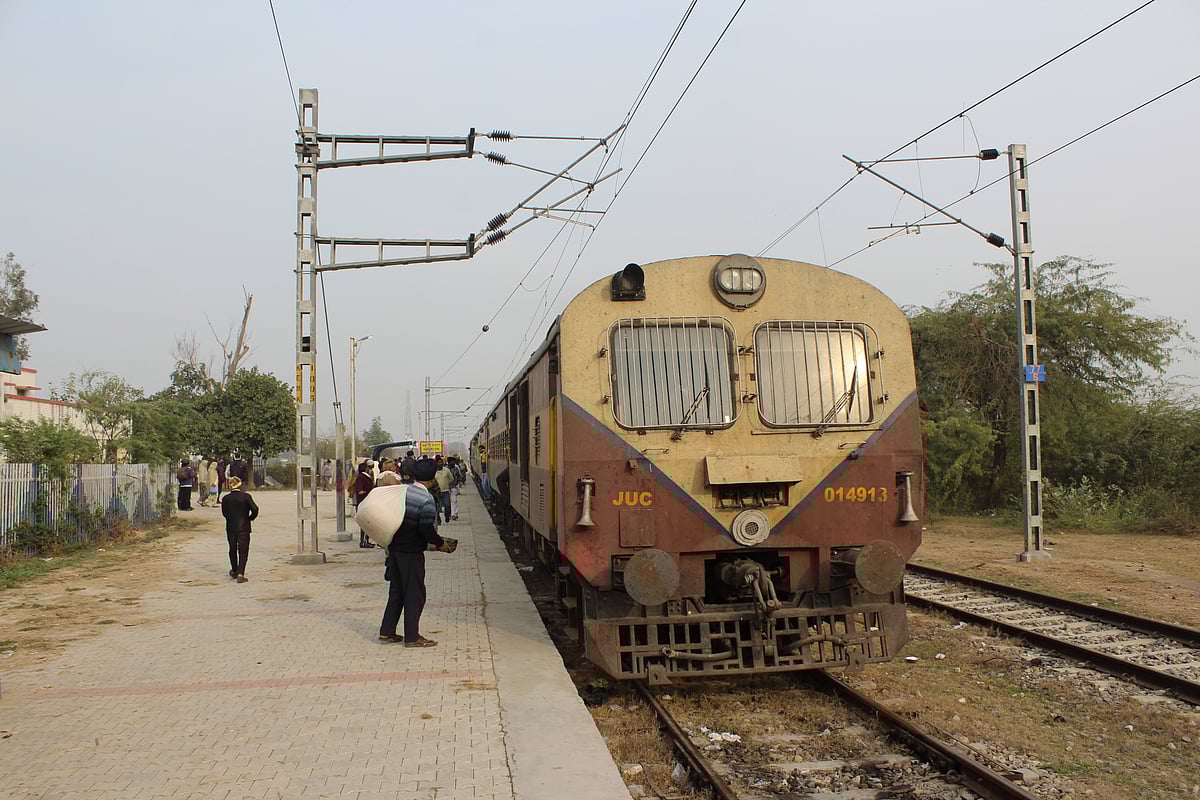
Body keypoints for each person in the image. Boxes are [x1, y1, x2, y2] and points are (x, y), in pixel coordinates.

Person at [379, 458, 450, 647]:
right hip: (411, 553)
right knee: (414, 594)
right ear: (432, 478)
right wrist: (440, 543)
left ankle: (387, 632)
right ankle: (412, 636)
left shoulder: (403, 491)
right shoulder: (425, 499)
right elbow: (426, 529)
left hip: (394, 550)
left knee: (397, 592)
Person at [220, 476, 258, 583]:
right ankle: (241, 573)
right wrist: (250, 518)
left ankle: (234, 570)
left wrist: (231, 519)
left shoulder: (225, 498)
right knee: (243, 550)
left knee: (232, 548)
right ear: (240, 485)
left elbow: (224, 513)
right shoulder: (246, 497)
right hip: (244, 527)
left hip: (231, 527)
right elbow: (255, 509)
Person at [354, 461, 377, 548]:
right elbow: (360, 491)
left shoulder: (366, 477)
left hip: (366, 502)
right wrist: (368, 493)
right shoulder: (361, 477)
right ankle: (363, 541)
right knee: (365, 524)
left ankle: (366, 540)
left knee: (367, 523)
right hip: (363, 502)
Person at [434, 460, 454, 524]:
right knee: (437, 507)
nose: (440, 464)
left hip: (445, 491)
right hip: (437, 492)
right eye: (438, 462)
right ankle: (438, 520)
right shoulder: (433, 471)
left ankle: (447, 516)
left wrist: (447, 483)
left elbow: (451, 478)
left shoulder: (446, 470)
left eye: (441, 462)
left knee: (447, 506)